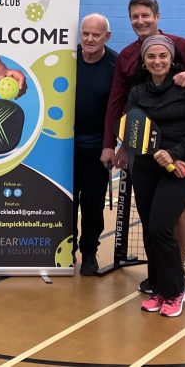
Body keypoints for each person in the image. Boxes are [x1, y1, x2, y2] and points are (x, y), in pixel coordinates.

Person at [103, 0, 185, 294]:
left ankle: (177, 275)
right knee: (152, 218)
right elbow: (118, 101)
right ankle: (160, 274)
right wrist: (117, 144)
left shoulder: (181, 44)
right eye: (135, 16)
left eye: (145, 15)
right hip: (144, 151)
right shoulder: (126, 56)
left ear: (157, 17)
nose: (140, 21)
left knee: (174, 213)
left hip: (179, 151)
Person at [128, 35, 185, 317]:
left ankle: (176, 290)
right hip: (146, 166)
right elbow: (135, 129)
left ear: (171, 58)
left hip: (182, 165)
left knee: (161, 226)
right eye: (151, 56)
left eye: (163, 56)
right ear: (144, 61)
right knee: (150, 230)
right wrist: (156, 153)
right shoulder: (137, 92)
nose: (157, 61)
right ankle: (159, 288)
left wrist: (174, 154)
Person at [73, 14, 117, 276]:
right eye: (85, 33)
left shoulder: (115, 64)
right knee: (65, 202)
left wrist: (111, 145)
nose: (89, 39)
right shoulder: (68, 59)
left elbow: (120, 108)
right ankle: (66, 250)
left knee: (92, 205)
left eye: (96, 35)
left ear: (106, 37)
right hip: (65, 147)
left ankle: (89, 251)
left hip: (98, 149)